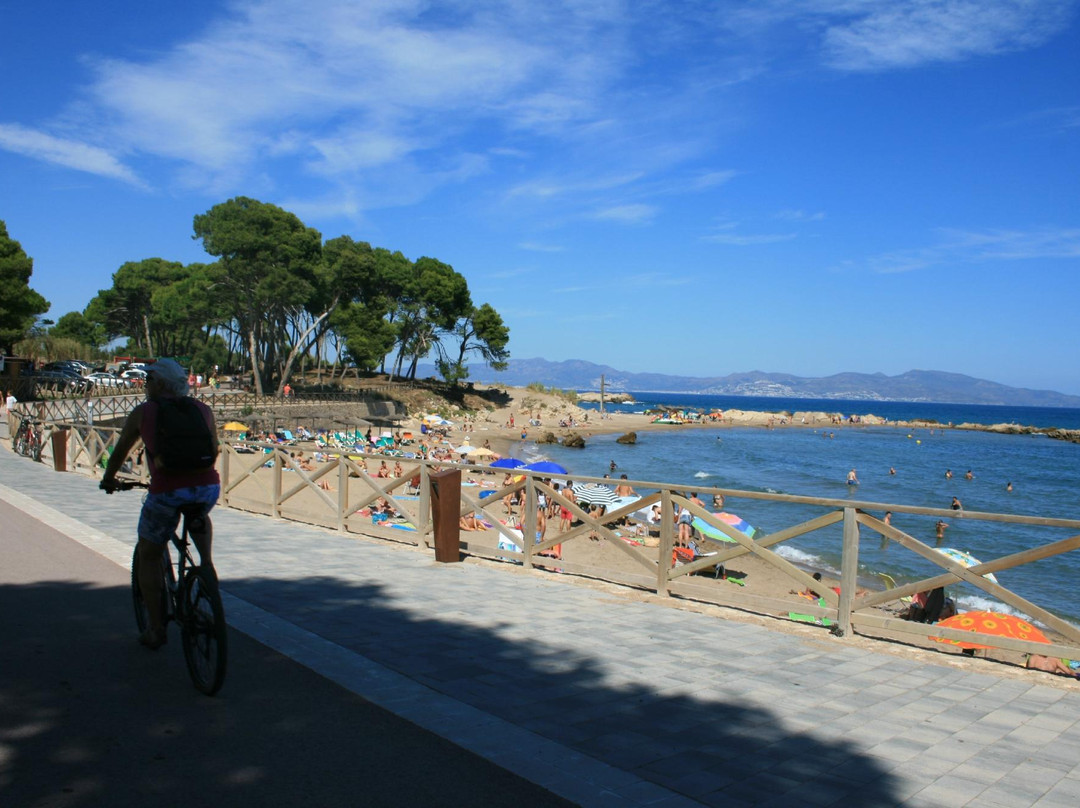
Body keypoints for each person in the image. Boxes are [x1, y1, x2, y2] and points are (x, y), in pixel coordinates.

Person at [100, 359, 220, 650]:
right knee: (197, 513)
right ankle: (206, 569)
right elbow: (213, 448)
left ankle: (156, 629)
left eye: (149, 378)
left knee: (149, 554)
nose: (146, 384)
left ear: (161, 383)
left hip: (167, 490)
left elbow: (120, 451)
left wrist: (108, 479)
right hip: (207, 487)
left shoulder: (145, 412)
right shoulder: (202, 409)